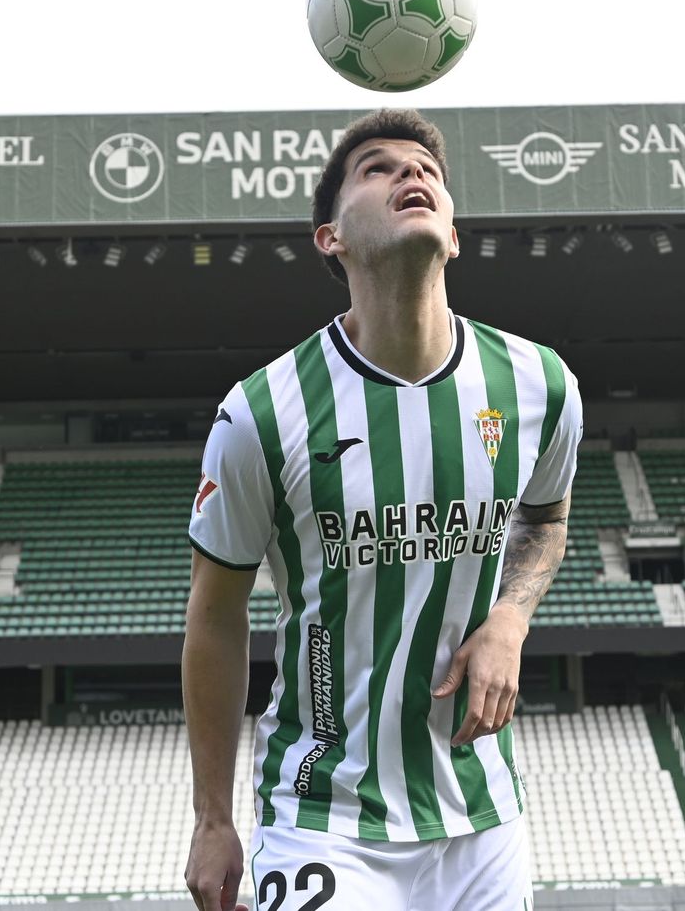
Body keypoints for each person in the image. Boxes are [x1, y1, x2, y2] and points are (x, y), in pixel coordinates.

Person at [183, 109, 583, 911]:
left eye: (426, 169)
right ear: (330, 237)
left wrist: (509, 619)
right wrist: (212, 816)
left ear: (456, 234)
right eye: (377, 168)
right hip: (321, 812)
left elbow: (545, 521)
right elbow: (215, 616)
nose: (412, 176)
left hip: (479, 815)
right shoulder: (262, 413)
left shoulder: (540, 384)